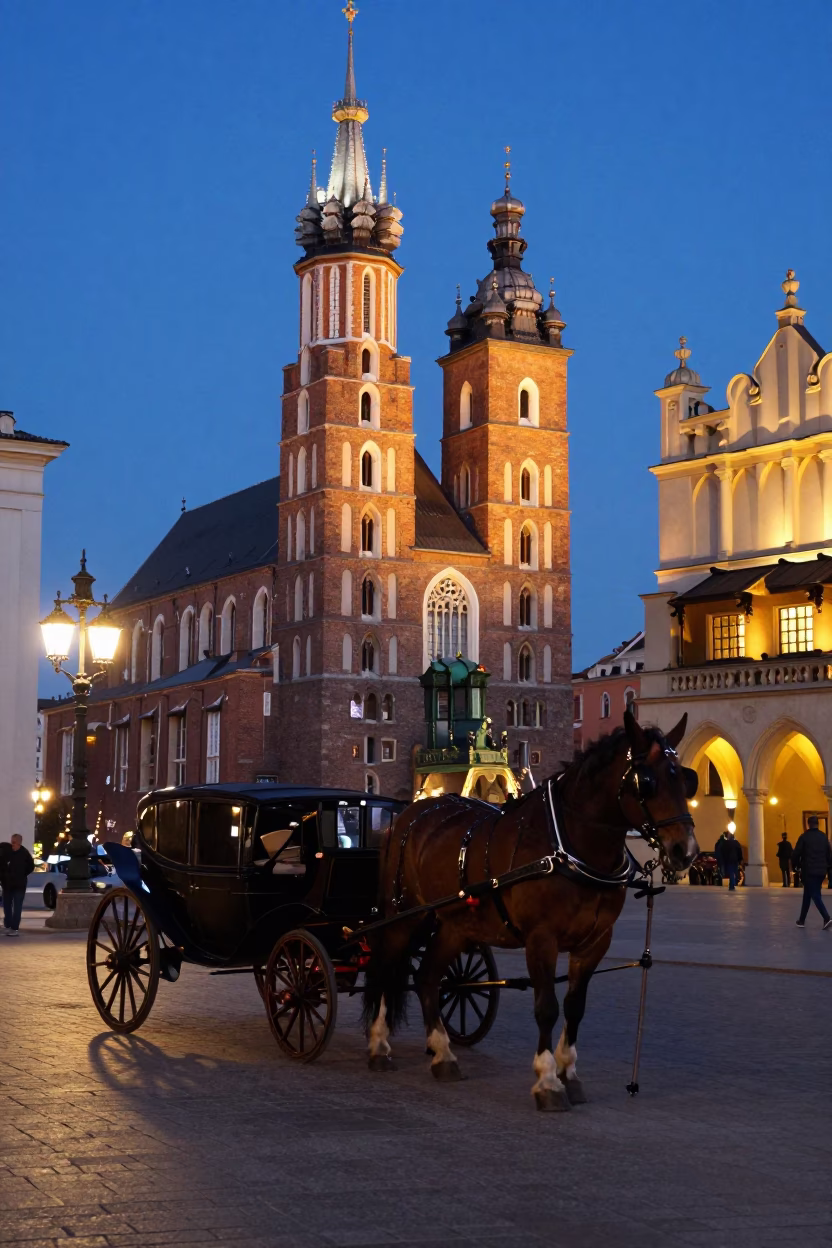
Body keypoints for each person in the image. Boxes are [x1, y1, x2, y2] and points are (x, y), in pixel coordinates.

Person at [793, 817, 832, 929]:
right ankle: (801, 920)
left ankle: (827, 917)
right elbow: (829, 854)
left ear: (808, 824)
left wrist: (795, 866)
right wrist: (828, 867)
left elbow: (796, 853)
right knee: (808, 894)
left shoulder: (804, 837)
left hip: (809, 870)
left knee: (814, 894)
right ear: (818, 824)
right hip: (821, 870)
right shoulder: (824, 837)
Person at [1, 834, 35, 936]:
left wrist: (22, 874)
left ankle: (14, 928)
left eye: (14, 842)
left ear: (19, 842)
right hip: (7, 884)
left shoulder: (24, 854)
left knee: (17, 906)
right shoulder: (7, 853)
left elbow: (31, 866)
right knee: (6, 905)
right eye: (11, 841)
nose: (12, 844)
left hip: (19, 885)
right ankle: (8, 925)